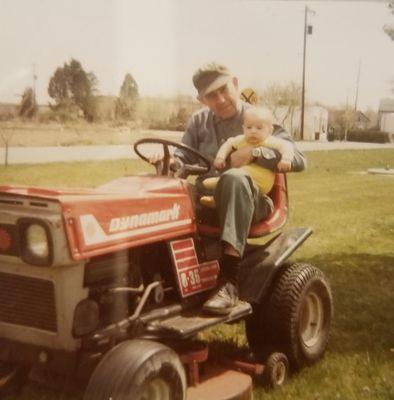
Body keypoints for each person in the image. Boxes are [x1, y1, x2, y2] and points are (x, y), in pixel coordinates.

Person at [158, 62, 306, 315]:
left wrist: (255, 153)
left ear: (235, 84)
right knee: (157, 193)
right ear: (201, 99)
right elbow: (183, 159)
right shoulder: (198, 122)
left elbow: (299, 159)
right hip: (209, 199)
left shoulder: (259, 118)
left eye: (224, 89)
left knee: (234, 179)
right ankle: (159, 277)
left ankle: (229, 281)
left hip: (253, 200)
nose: (221, 99)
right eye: (211, 95)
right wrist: (170, 162)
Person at [199, 105, 294, 208]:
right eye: (249, 127)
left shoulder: (270, 141)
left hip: (261, 181)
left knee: (235, 177)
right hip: (240, 181)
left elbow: (286, 146)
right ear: (243, 128)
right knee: (235, 181)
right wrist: (220, 157)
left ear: (270, 130)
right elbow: (228, 144)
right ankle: (216, 200)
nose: (253, 131)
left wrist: (286, 159)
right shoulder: (242, 140)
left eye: (259, 128)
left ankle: (220, 181)